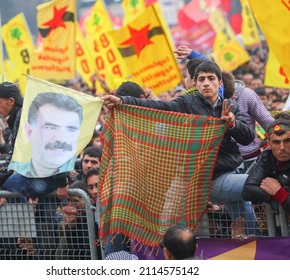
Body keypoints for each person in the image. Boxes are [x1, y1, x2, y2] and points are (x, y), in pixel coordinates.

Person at [102, 60, 259, 234]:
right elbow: (158, 107)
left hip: (232, 172)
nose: (206, 83)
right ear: (195, 83)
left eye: (211, 78)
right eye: (201, 79)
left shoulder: (231, 106)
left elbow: (248, 138)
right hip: (209, 179)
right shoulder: (187, 103)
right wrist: (122, 101)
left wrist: (232, 123)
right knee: (260, 183)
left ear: (219, 83)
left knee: (249, 230)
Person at [243, 118, 290, 223]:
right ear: (268, 144)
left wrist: (279, 192)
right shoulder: (266, 156)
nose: (282, 147)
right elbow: (248, 191)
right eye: (276, 142)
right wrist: (282, 192)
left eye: (287, 141)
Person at [9, 92, 83, 178]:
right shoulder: (14, 185)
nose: (61, 138)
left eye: (71, 129)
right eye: (51, 128)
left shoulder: (86, 184)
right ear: (29, 132)